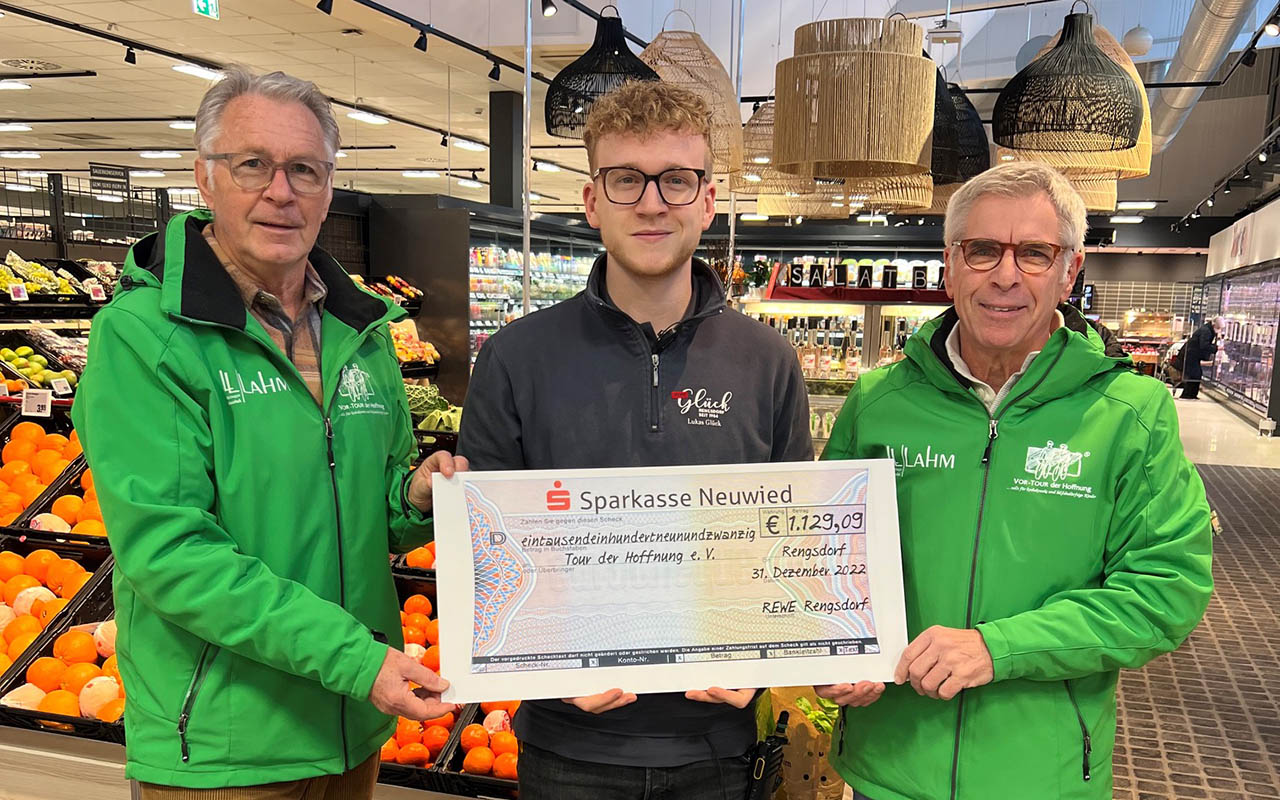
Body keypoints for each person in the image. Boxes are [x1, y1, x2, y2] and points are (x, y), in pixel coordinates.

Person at [72, 68, 458, 797]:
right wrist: (357, 660)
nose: (281, 191)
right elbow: (173, 553)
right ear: (205, 178)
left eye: (305, 170)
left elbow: (362, 508)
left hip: (350, 731)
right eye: (253, 164)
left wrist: (415, 495)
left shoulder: (364, 331)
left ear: (329, 188)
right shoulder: (144, 339)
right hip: (228, 748)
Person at [453, 80, 813, 799]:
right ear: (593, 201)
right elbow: (481, 557)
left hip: (719, 751)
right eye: (627, 180)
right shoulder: (514, 358)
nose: (652, 202)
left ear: (707, 201)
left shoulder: (767, 361)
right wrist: (548, 670)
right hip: (565, 749)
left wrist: (765, 660)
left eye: (676, 180)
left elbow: (793, 543)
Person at [816, 162, 1213, 800]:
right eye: (981, 250)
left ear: (1069, 272)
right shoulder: (876, 403)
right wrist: (834, 654)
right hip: (887, 767)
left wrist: (998, 648)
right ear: (950, 264)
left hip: (1041, 776)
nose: (1005, 275)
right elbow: (827, 559)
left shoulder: (1130, 417)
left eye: (1033, 252)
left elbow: (1165, 594)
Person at [1178, 316, 1221, 399]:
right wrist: (1215, 348)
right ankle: (1188, 395)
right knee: (1195, 374)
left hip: (1192, 354)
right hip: (1192, 354)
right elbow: (1204, 345)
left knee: (1195, 374)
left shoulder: (1207, 329)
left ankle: (1191, 394)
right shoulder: (1207, 331)